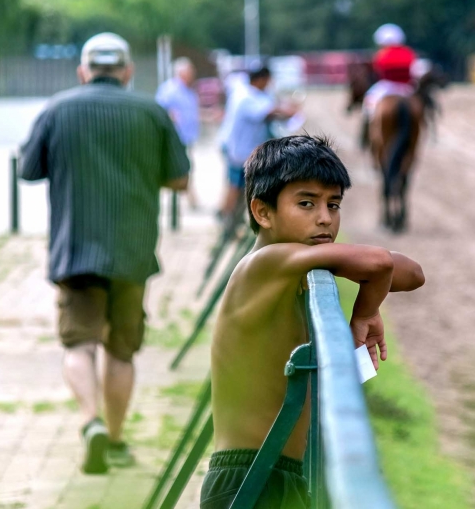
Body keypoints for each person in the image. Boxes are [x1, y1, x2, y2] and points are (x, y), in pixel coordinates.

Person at [202, 135, 425, 508]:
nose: (325, 217)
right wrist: (367, 312)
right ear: (263, 212)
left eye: (333, 204)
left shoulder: (300, 265)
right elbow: (381, 264)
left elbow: (412, 273)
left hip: (281, 473)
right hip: (249, 479)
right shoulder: (266, 263)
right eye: (306, 203)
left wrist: (369, 297)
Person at [19, 32, 190, 474]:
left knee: (79, 343)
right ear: (128, 72)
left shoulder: (58, 109)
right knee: (121, 350)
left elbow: (28, 169)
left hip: (74, 248)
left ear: (83, 70)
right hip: (132, 252)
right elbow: (180, 179)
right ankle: (114, 440)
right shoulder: (151, 112)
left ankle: (90, 423)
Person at [221, 65, 296, 222]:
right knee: (236, 187)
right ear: (261, 79)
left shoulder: (245, 92)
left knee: (239, 187)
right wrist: (290, 111)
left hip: (242, 149)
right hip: (242, 152)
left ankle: (233, 220)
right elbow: (268, 112)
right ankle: (227, 219)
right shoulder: (247, 97)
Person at [156, 57, 201, 209]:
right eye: (190, 71)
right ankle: (190, 201)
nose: (193, 74)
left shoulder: (188, 90)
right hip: (175, 138)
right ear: (182, 72)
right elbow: (160, 110)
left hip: (186, 137)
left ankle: (191, 199)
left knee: (187, 167)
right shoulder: (169, 89)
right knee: (180, 168)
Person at [362, 23, 417, 118]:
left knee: (368, 102)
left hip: (387, 87)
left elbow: (377, 70)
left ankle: (367, 125)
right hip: (407, 88)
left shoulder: (382, 54)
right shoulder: (408, 52)